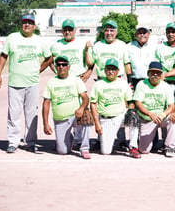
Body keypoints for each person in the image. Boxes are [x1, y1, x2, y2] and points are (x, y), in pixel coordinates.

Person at [0, 14, 52, 153]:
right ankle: (13, 141)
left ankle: (30, 141)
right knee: (14, 114)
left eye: (30, 23)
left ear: (34, 26)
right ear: (21, 25)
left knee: (31, 113)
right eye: (24, 23)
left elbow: (49, 58)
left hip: (32, 83)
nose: (27, 25)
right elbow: (3, 56)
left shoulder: (39, 41)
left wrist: (38, 69)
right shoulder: (12, 38)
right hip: (15, 83)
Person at [50, 19, 93, 151]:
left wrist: (88, 72)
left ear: (75, 30)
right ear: (62, 31)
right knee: (66, 107)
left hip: (78, 80)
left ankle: (79, 140)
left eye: (70, 29)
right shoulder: (56, 45)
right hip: (64, 81)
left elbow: (91, 62)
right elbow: (50, 61)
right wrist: (57, 72)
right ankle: (67, 137)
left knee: (81, 111)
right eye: (65, 30)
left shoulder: (81, 44)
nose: (67, 32)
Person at [89, 19, 132, 151]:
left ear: (116, 32)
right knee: (103, 109)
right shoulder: (98, 45)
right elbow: (92, 63)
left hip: (118, 79)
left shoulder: (122, 45)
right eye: (107, 30)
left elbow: (126, 63)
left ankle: (121, 139)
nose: (109, 33)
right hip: (102, 79)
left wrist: (129, 81)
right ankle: (100, 138)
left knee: (119, 108)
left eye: (112, 30)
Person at [42, 56, 91, 159]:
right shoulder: (51, 82)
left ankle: (84, 148)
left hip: (76, 115)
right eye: (58, 65)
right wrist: (45, 124)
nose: (61, 67)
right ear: (55, 67)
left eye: (64, 64)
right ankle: (69, 139)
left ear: (69, 67)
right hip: (60, 119)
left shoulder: (76, 80)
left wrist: (81, 108)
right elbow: (46, 103)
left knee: (87, 116)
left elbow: (85, 98)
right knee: (62, 151)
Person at [90, 59, 137, 157]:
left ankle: (133, 147)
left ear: (118, 71)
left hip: (120, 116)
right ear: (105, 70)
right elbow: (93, 104)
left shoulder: (123, 83)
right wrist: (97, 123)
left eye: (113, 69)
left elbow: (130, 101)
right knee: (106, 152)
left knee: (134, 118)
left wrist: (131, 111)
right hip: (105, 118)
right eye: (108, 69)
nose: (111, 71)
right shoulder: (98, 84)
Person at [134, 61, 175, 157]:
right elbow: (138, 103)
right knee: (144, 150)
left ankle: (169, 146)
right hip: (147, 119)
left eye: (157, 73)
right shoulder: (141, 84)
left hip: (161, 117)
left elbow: (172, 106)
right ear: (148, 73)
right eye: (152, 72)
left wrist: (163, 114)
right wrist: (150, 114)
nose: (155, 75)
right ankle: (148, 141)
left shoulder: (166, 86)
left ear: (161, 74)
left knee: (173, 118)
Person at [155, 22, 175, 93]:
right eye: (168, 32)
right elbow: (157, 67)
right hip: (164, 83)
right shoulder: (160, 48)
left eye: (173, 32)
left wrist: (164, 75)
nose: (170, 34)